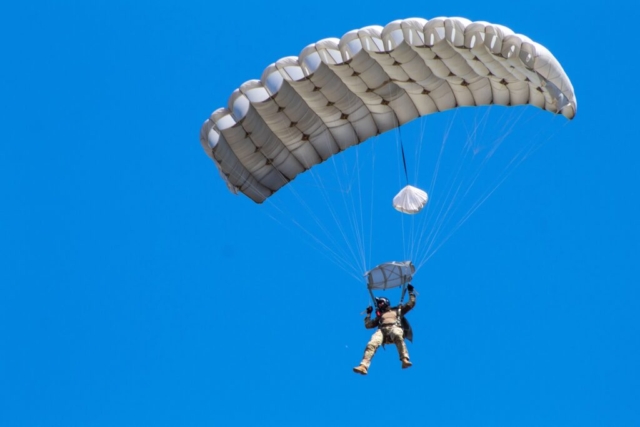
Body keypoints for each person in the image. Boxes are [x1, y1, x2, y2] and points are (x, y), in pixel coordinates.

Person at [353, 284, 416, 375]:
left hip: (394, 327)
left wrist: (411, 292)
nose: (379, 304)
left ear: (386, 302)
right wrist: (368, 314)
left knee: (397, 334)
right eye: (378, 303)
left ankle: (404, 360)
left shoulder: (397, 310)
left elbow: (411, 304)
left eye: (381, 302)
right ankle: (363, 366)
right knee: (372, 343)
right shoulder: (380, 316)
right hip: (382, 330)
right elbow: (368, 325)